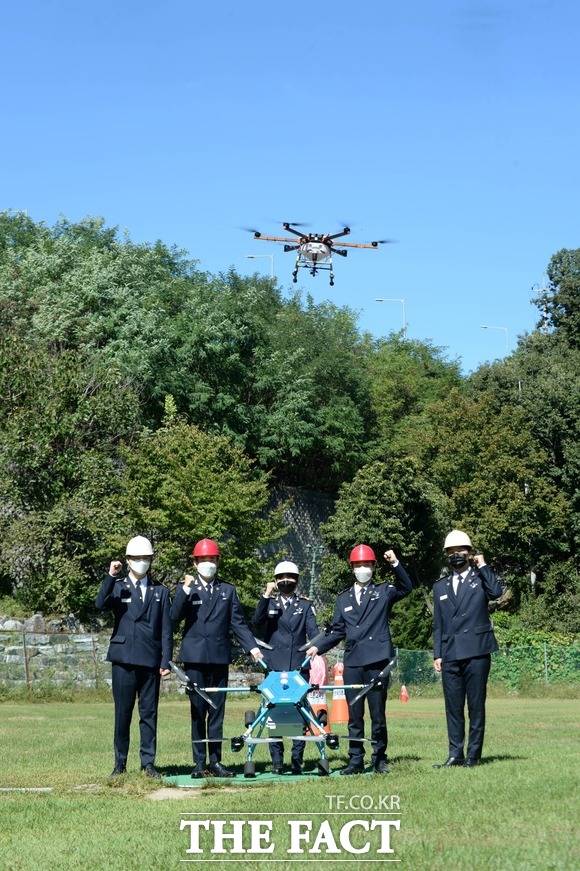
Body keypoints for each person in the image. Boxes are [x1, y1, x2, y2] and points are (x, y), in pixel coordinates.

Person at [307, 545, 412, 774]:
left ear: (373, 567)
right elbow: (337, 631)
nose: (362, 568)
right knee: (354, 715)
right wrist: (318, 647)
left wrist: (395, 562)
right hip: (353, 662)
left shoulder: (384, 592)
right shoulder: (343, 598)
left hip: (377, 661)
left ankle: (379, 758)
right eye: (358, 565)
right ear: (352, 567)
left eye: (366, 564)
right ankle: (355, 759)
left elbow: (407, 587)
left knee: (377, 714)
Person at [170, 538, 264, 778]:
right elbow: (173, 618)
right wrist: (184, 590)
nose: (208, 564)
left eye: (212, 559)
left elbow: (238, 623)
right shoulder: (188, 589)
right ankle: (199, 763)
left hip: (220, 658)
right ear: (195, 562)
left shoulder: (227, 590)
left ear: (218, 561)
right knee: (198, 710)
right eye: (204, 560)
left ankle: (215, 761)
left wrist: (252, 647)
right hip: (195, 659)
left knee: (217, 712)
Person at [95, 535, 172, 778]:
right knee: (123, 713)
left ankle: (148, 763)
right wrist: (110, 575)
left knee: (149, 714)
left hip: (150, 661)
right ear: (128, 560)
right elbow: (99, 604)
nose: (142, 562)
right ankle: (120, 764)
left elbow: (166, 629)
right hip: (123, 659)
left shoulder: (160, 591)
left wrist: (166, 660)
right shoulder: (118, 586)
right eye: (137, 558)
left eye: (146, 558)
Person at [432, 530, 504, 767]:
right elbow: (439, 624)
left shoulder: (480, 578)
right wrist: (438, 654)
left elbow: (496, 592)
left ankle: (473, 756)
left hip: (476, 651)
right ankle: (455, 754)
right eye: (451, 552)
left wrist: (483, 565)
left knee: (475, 706)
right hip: (450, 654)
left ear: (470, 553)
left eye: (461, 551)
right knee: (453, 708)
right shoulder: (440, 586)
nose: (456, 555)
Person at [253, 559, 319, 774]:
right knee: (273, 713)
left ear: (297, 580)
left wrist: (315, 648)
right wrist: (265, 595)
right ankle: (277, 761)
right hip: (274, 666)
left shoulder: (306, 605)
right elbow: (256, 622)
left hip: (299, 666)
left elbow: (313, 632)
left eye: (290, 577)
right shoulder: (269, 603)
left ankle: (297, 758)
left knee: (300, 712)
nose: (285, 581)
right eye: (281, 577)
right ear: (275, 580)